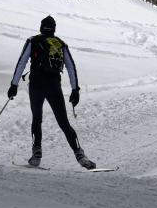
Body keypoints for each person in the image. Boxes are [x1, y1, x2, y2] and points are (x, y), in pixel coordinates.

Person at [7, 15, 96, 170]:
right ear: (54, 29)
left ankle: (37, 153)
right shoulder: (61, 44)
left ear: (41, 27)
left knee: (37, 118)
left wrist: (14, 85)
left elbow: (22, 62)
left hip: (36, 85)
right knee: (63, 122)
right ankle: (79, 154)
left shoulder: (32, 41)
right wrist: (75, 90)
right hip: (54, 86)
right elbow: (70, 67)